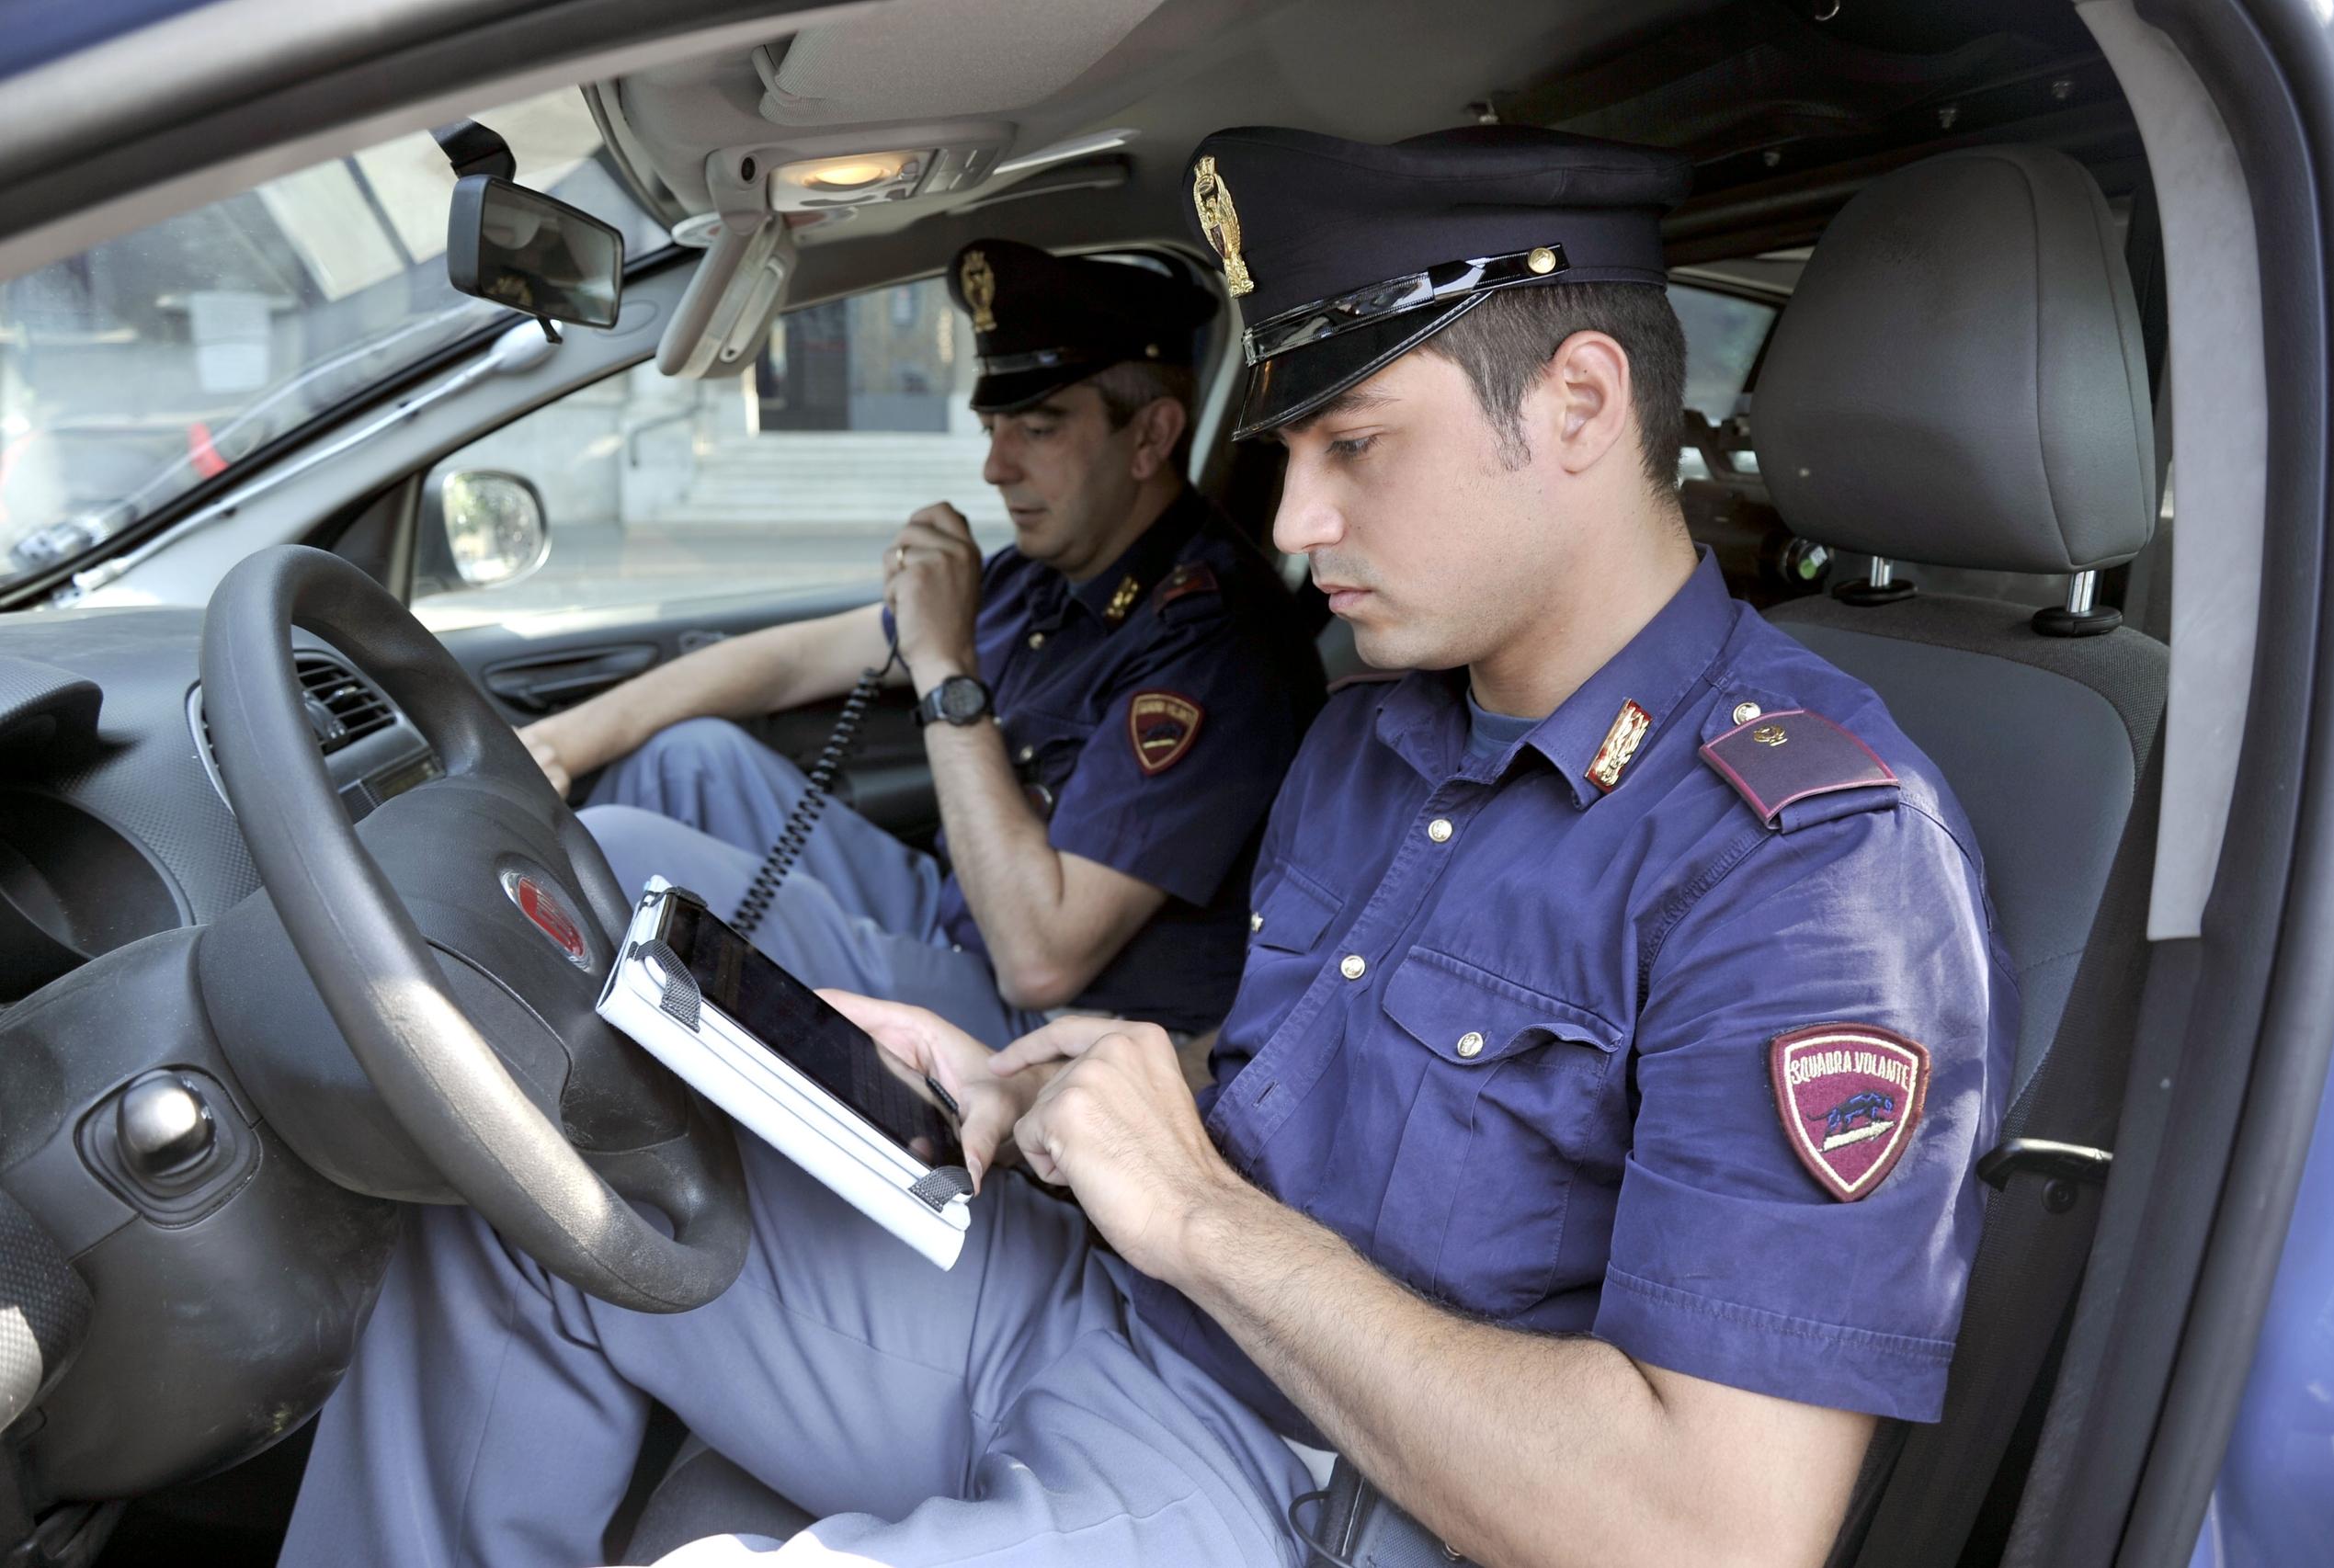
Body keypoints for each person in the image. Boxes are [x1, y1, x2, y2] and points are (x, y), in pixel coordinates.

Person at [282, 126, 2014, 1568]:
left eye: (1355, 447)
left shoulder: (1812, 867)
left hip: (1309, 1487)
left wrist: (1193, 1218)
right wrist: (1050, 1080)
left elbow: (1706, 1533)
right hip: (1107, 1304)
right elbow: (1315, 1090)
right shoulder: (1379, 727)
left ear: (1577, 402)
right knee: (544, 1186)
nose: (1294, 521)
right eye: (1287, 451)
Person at [526, 239, 1323, 1045]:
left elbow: (1041, 962)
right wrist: (555, 746)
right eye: (992, 427)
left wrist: (945, 668)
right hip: (959, 911)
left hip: (1054, 1029)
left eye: (1038, 430)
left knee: (618, 844)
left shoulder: (1214, 641)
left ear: (1150, 437)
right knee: (686, 761)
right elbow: (792, 663)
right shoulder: (1042, 574)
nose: (994, 468)